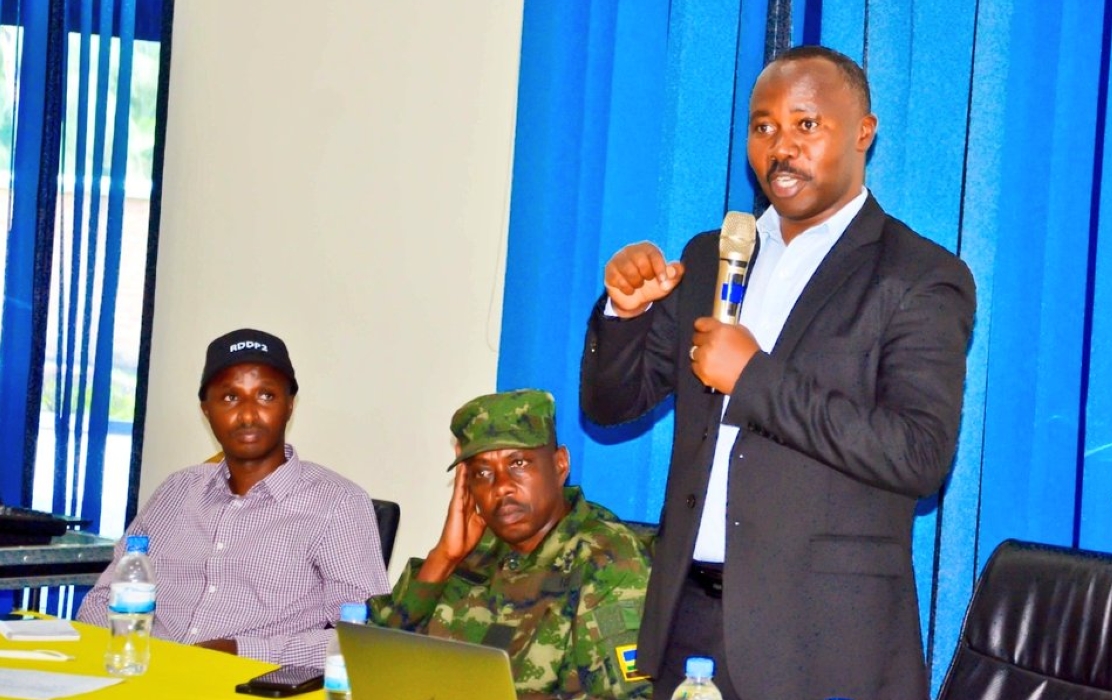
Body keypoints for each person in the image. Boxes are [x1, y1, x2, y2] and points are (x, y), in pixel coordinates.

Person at [580, 45, 976, 699]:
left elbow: (919, 455)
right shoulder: (713, 257)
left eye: (806, 125)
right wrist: (624, 316)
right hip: (688, 620)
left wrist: (754, 377)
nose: (780, 147)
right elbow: (611, 405)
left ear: (863, 133)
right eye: (763, 127)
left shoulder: (918, 277)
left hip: (820, 645)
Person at [78, 328, 389, 668]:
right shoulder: (177, 490)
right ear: (206, 410)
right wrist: (136, 655)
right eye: (229, 398)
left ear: (289, 405)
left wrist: (240, 650)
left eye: (266, 396)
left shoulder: (337, 504)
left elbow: (363, 639)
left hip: (246, 683)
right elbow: (103, 599)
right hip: (146, 674)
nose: (248, 415)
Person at [366, 389, 652, 700]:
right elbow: (370, 667)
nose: (501, 487)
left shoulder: (609, 562)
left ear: (560, 465)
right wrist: (444, 558)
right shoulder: (473, 547)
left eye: (518, 463)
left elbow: (627, 697)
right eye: (483, 473)